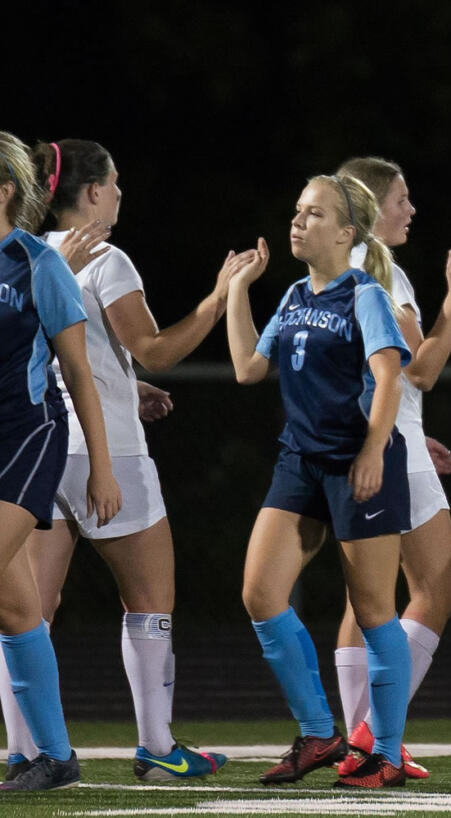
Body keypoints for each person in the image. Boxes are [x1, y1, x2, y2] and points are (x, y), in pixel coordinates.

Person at [1, 139, 241, 782]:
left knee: (27, 609)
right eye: (116, 183)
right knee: (150, 600)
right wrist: (219, 298)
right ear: (95, 192)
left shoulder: (31, 254)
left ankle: (26, 751)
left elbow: (49, 356)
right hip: (106, 453)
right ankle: (159, 751)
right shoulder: (106, 257)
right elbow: (155, 347)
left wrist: (125, 384)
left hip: (38, 451)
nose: (121, 194)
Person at [226, 174, 413, 789]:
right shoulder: (294, 295)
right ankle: (319, 733)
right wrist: (237, 291)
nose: (298, 221)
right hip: (301, 462)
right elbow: (248, 368)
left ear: (346, 232)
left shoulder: (365, 296)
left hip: (356, 461)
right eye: (297, 210)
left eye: (313, 214)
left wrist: (373, 450)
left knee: (375, 610)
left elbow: (389, 379)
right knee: (260, 593)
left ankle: (385, 753)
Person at [330, 156, 451, 780]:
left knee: (364, 601)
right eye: (401, 199)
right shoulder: (382, 269)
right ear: (370, 206)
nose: (410, 210)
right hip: (390, 448)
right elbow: (422, 367)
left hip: (350, 442)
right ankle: (373, 736)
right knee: (437, 592)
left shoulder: (335, 267)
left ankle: (360, 743)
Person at [0, 131, 121, 791]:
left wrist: (100, 467)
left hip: (27, 438)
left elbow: (77, 373)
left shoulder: (35, 263)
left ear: (6, 190)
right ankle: (54, 756)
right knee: (17, 610)